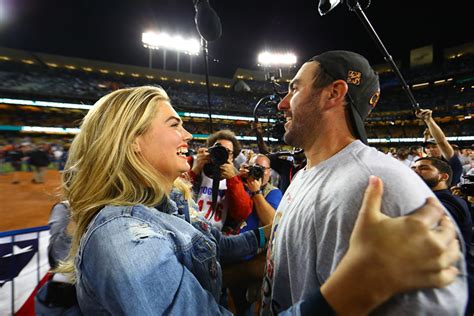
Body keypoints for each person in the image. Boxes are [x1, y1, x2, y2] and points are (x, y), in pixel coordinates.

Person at [56, 86, 461, 315]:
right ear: (132, 142)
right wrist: (359, 284)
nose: (189, 137)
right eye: (175, 123)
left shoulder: (164, 208)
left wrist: (276, 232)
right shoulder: (124, 239)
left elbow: (218, 246)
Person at [262, 50, 467, 315]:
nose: (282, 103)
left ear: (334, 93)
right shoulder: (307, 172)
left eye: (295, 89)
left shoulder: (376, 185)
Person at [186, 129, 253, 233]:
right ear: (210, 150)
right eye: (219, 149)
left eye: (228, 152)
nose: (222, 153)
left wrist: (233, 180)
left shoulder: (236, 177)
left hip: (217, 236)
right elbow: (174, 193)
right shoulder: (193, 163)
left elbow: (241, 214)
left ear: (232, 157)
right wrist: (194, 171)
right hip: (188, 230)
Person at [416, 108, 463, 185]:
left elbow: (442, 142)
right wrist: (426, 136)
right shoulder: (428, 162)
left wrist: (428, 120)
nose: (430, 149)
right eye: (428, 148)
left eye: (434, 147)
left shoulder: (450, 162)